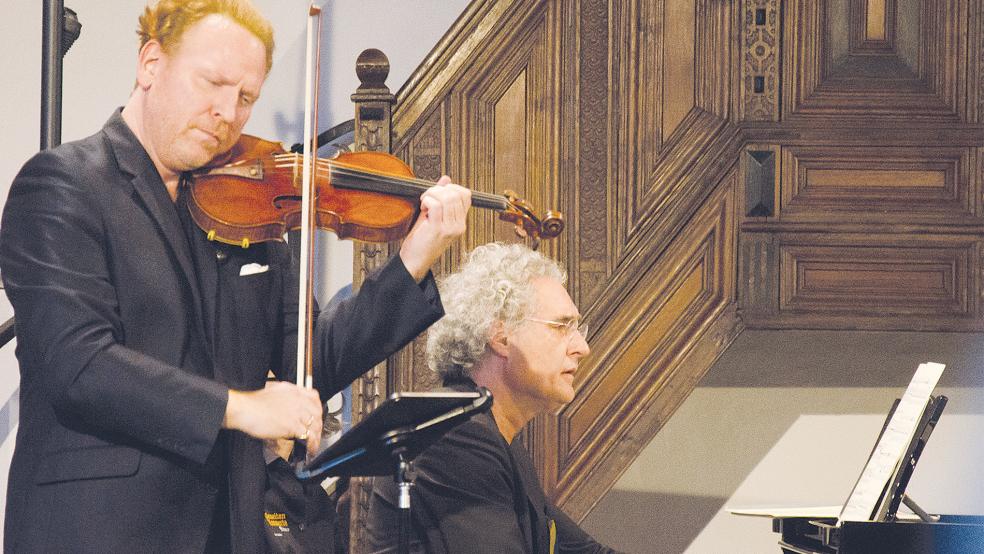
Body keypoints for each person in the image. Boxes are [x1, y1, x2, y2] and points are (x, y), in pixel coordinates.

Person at [0, 1, 471, 552]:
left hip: (231, 529)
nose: (228, 112)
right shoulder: (63, 185)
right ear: (151, 63)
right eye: (214, 83)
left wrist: (415, 257)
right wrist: (242, 407)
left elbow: (312, 362)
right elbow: (79, 364)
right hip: (100, 530)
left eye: (246, 97)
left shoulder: (249, 204)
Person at [366, 243, 621, 553]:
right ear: (501, 337)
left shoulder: (497, 436)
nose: (582, 347)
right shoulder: (454, 434)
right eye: (561, 327)